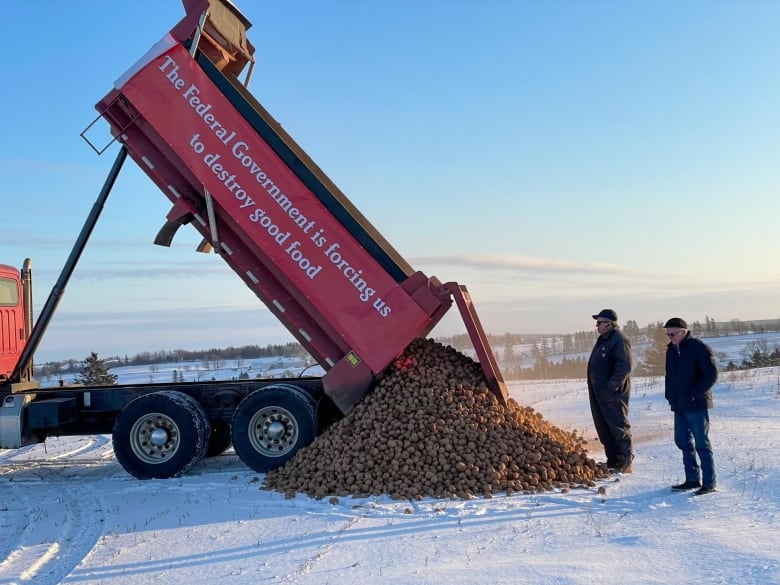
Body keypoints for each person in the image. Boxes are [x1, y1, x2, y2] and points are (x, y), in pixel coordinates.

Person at [664, 317, 719, 496]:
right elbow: (670, 375)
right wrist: (669, 395)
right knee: (682, 441)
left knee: (701, 443)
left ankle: (709, 483)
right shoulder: (671, 350)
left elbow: (711, 375)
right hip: (679, 404)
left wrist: (695, 394)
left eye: (672, 333)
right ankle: (692, 479)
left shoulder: (698, 347)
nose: (669, 337)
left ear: (683, 331)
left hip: (696, 404)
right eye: (667, 333)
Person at [586, 309, 634, 473]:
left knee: (618, 425)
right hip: (599, 392)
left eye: (599, 322)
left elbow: (624, 366)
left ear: (609, 324)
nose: (597, 326)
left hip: (613, 394)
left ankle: (625, 460)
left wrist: (611, 387)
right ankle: (613, 460)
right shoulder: (603, 340)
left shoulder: (619, 340)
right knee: (604, 427)